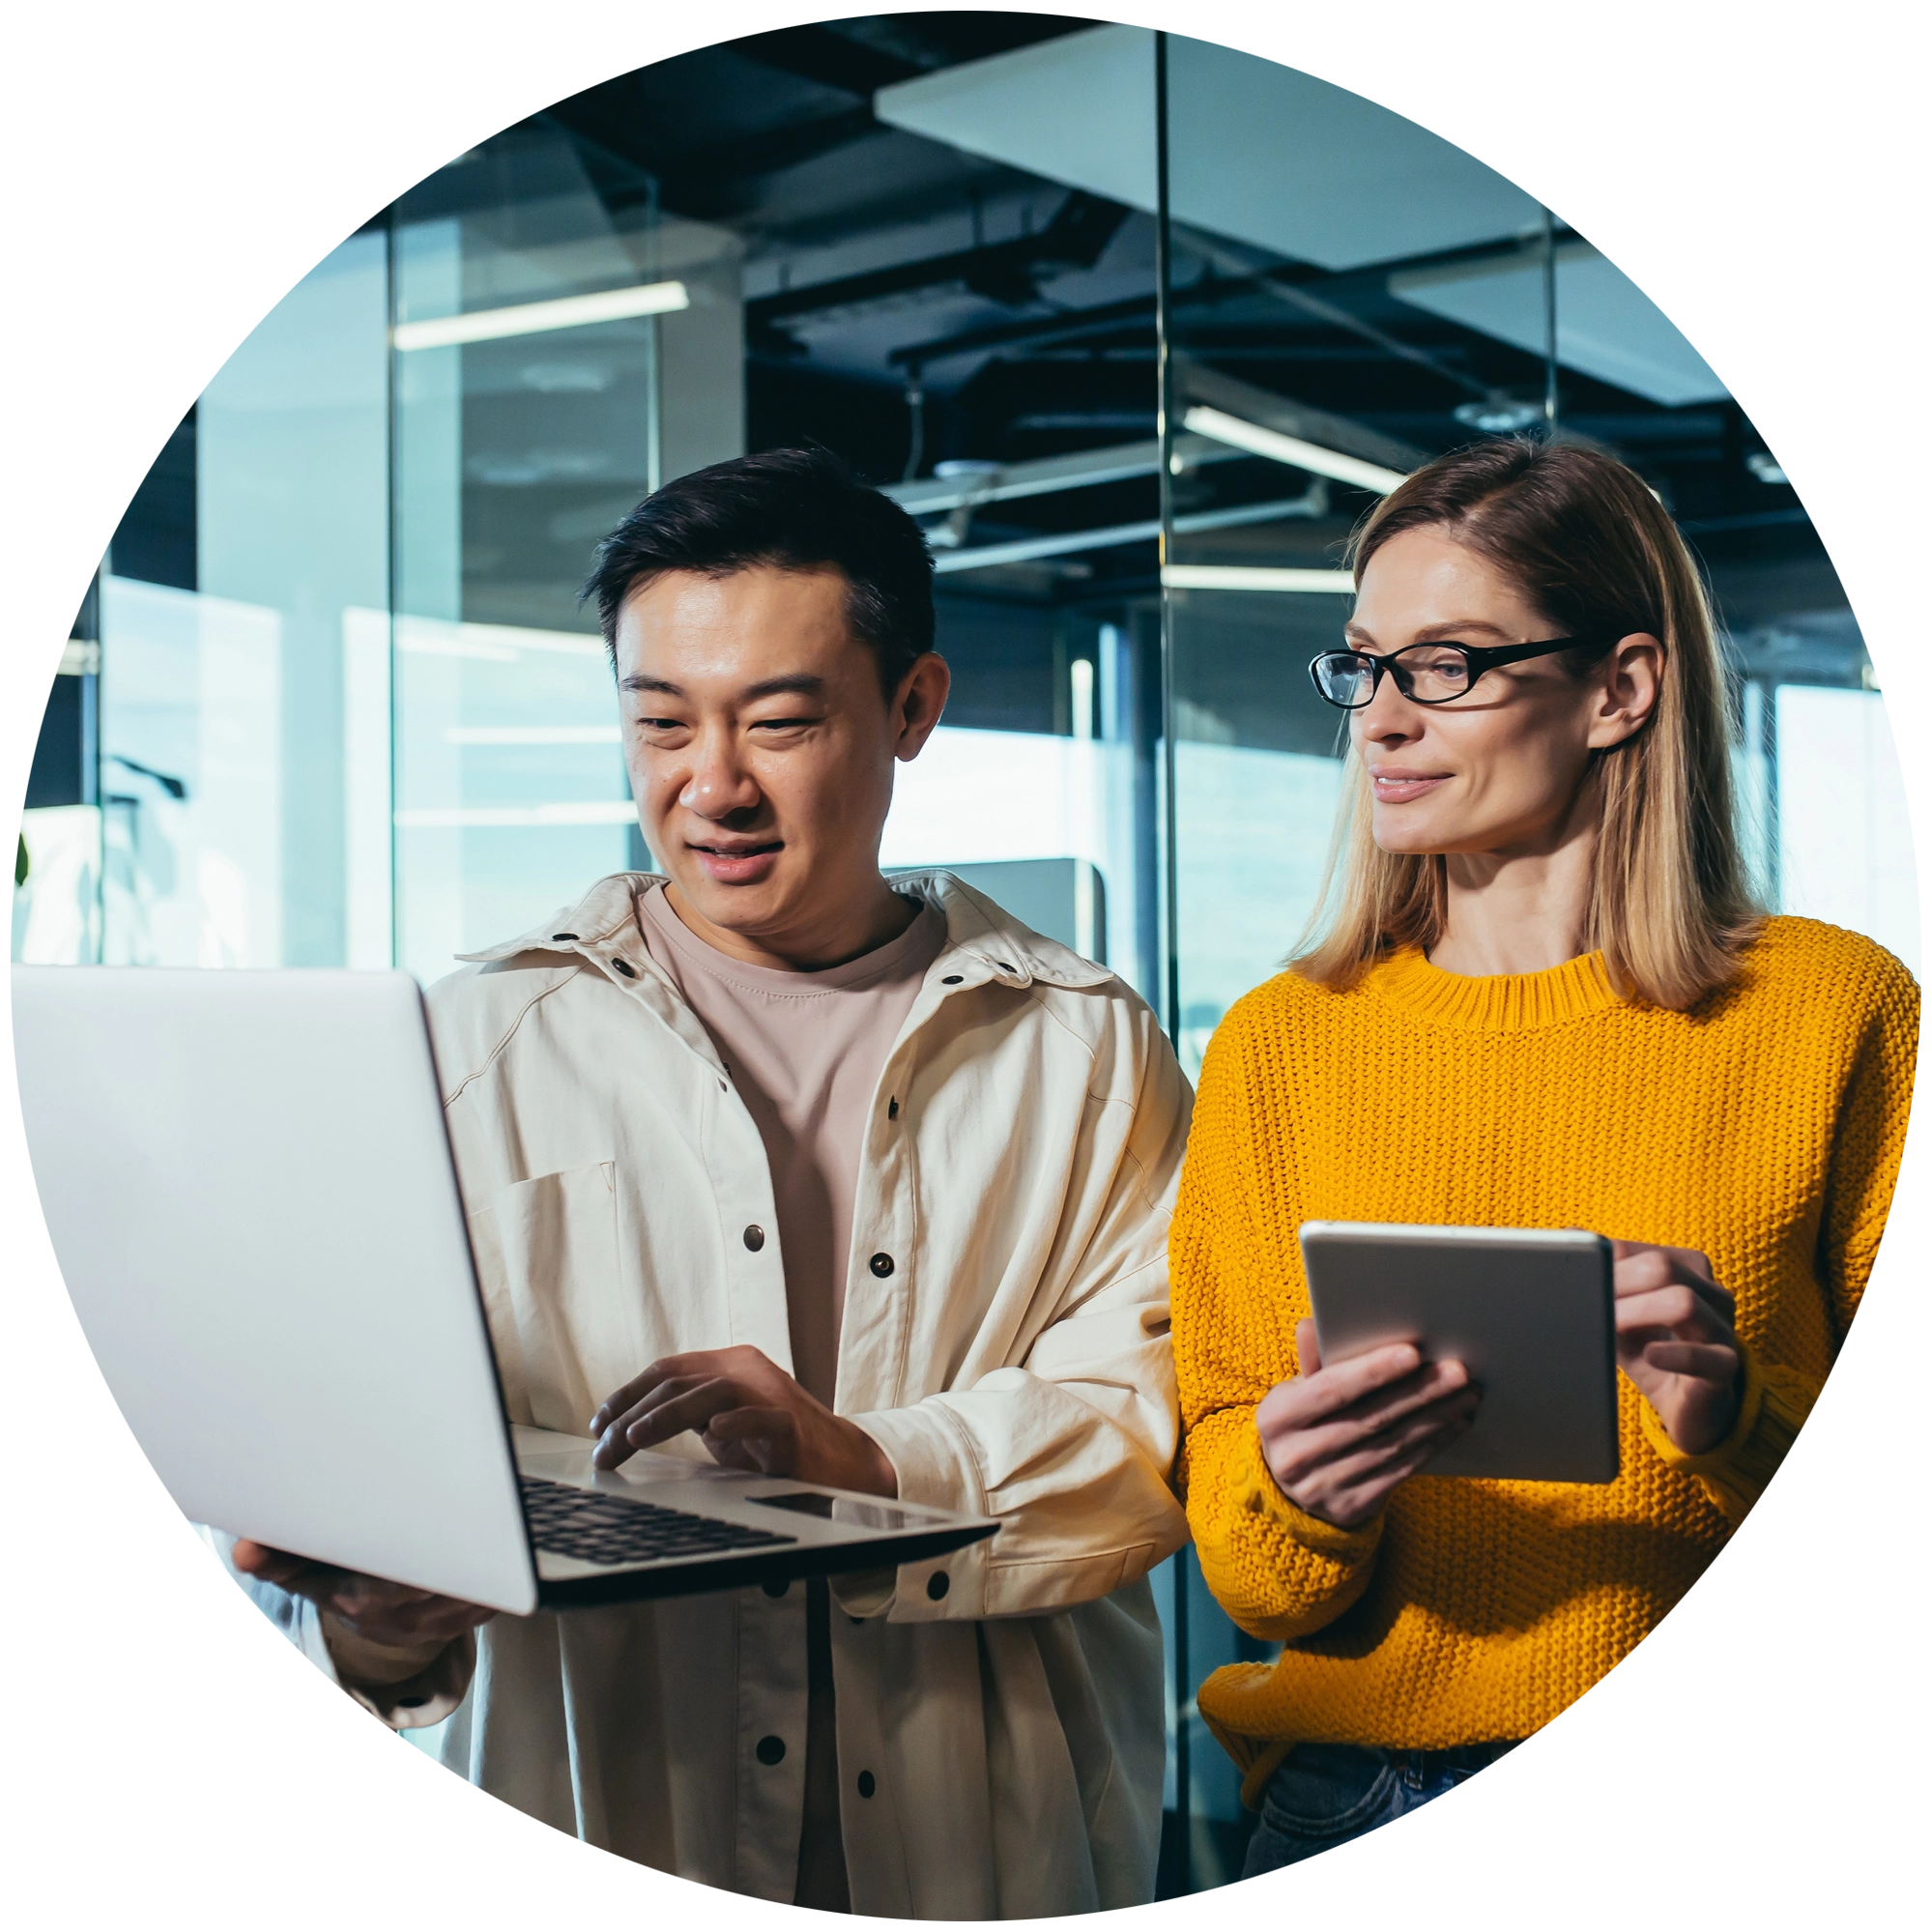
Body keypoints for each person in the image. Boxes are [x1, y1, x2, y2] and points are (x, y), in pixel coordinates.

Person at [223, 447, 1191, 1920]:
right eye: (660, 722)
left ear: (912, 708)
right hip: (595, 1819)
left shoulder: (1086, 1048)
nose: (710, 784)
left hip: (976, 1851)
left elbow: (1148, 1424)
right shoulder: (472, 1046)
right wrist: (375, 1622)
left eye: (780, 722)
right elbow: (369, 1475)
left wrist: (863, 1460)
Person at [1169, 437, 1919, 1881]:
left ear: (1620, 688)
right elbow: (1245, 1563)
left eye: (1443, 665)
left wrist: (1734, 1418)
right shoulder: (1280, 1043)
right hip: (1347, 1805)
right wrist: (1293, 1488)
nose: (1378, 721)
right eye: (1363, 665)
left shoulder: (1835, 1015)